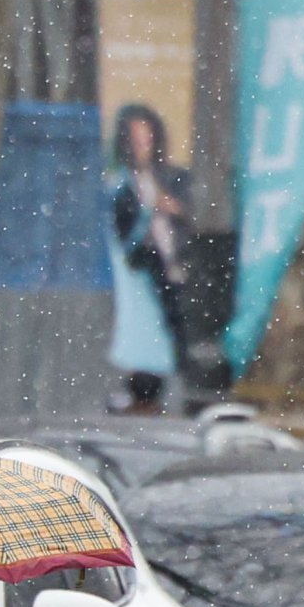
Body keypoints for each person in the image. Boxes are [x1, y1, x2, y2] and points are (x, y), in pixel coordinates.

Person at [105, 103, 194, 411]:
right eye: (135, 140)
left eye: (147, 139)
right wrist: (147, 212)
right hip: (143, 274)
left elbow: (193, 218)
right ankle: (143, 395)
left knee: (182, 339)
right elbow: (124, 237)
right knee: (148, 341)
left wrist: (176, 211)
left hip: (179, 271)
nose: (142, 147)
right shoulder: (120, 186)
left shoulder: (175, 178)